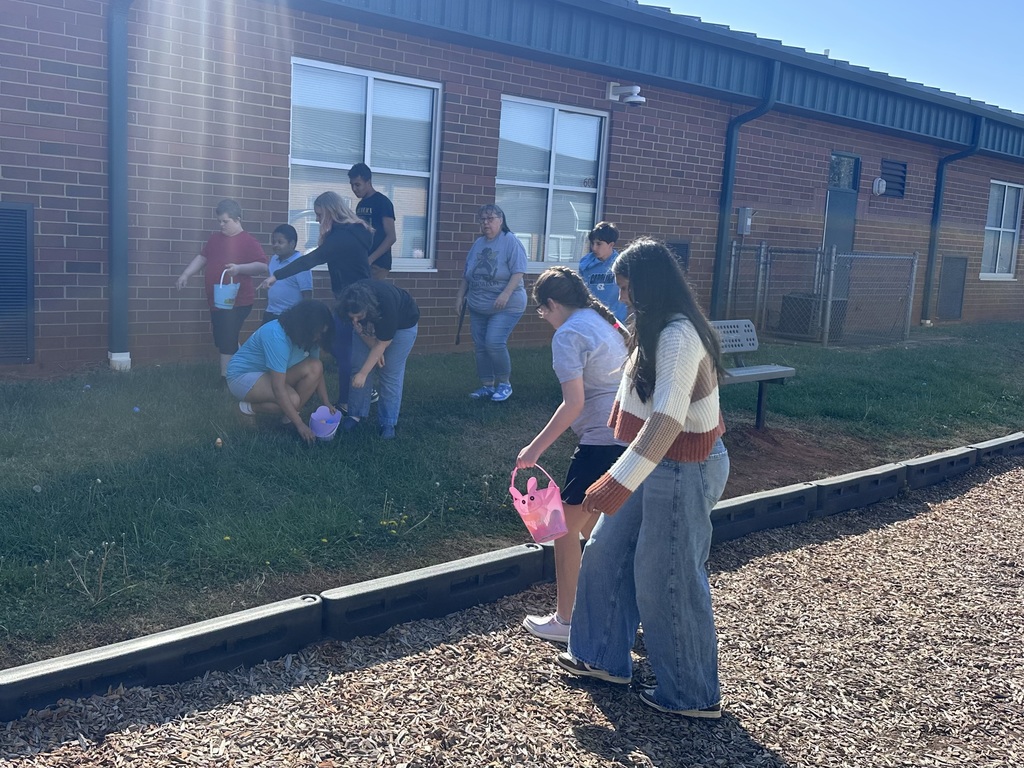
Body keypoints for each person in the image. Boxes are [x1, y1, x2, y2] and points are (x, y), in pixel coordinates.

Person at [554, 238, 731, 720]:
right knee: (606, 554)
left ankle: (693, 694)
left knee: (668, 579)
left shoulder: (677, 335)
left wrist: (616, 480)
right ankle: (600, 657)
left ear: (650, 285)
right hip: (652, 460)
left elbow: (667, 420)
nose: (623, 296)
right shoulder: (652, 325)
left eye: (628, 288)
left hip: (683, 464)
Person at [516, 267, 629, 644]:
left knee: (563, 529)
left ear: (551, 304)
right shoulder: (601, 320)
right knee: (594, 529)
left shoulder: (569, 333)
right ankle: (614, 611)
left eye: (543, 313)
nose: (545, 320)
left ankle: (566, 620)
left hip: (601, 440)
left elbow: (573, 403)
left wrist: (534, 449)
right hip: (627, 437)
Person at [267, 191, 371, 414]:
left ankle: (346, 401)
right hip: (353, 297)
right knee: (338, 346)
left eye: (319, 214)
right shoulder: (353, 233)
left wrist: (277, 275)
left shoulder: (341, 238)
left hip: (353, 301)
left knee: (343, 351)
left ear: (331, 212)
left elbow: (310, 260)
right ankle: (362, 387)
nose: (316, 220)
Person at [175, 199, 267, 385]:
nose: (221, 225)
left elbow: (262, 266)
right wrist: (186, 274)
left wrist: (239, 268)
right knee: (224, 337)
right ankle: (245, 366)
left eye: (225, 221)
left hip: (238, 301)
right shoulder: (215, 239)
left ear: (238, 219)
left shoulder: (248, 241)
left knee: (226, 338)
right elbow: (202, 258)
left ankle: (226, 379)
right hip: (218, 301)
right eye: (219, 221)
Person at [225, 299, 335, 445]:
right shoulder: (276, 336)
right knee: (293, 400)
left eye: (322, 333)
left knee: (315, 366)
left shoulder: (310, 338)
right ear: (305, 326)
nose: (319, 337)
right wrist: (300, 425)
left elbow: (318, 372)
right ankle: (246, 408)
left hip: (269, 375)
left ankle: (288, 418)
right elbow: (278, 388)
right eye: (317, 332)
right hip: (242, 376)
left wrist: (326, 403)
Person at [456, 204, 527, 402]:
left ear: (501, 220)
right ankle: (487, 385)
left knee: (493, 342)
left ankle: (505, 384)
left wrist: (505, 294)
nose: (486, 223)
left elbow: (519, 270)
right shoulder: (479, 243)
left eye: (490, 219)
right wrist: (460, 296)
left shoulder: (510, 241)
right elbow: (467, 274)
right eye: (482, 219)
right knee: (480, 346)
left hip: (506, 304)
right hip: (478, 304)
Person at [337, 279, 420, 439]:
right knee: (358, 366)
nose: (354, 320)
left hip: (403, 324)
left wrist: (366, 370)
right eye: (351, 317)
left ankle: (388, 422)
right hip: (372, 326)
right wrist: (365, 337)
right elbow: (366, 336)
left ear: (368, 309)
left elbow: (382, 343)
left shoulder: (386, 305)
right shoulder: (351, 302)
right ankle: (355, 415)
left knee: (390, 373)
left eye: (358, 316)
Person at [348, 163, 397, 280]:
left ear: (368, 182)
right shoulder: (361, 205)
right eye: (352, 185)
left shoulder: (382, 202)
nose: (354, 189)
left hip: (378, 263)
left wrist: (371, 259)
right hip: (363, 261)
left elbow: (391, 237)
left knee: (369, 295)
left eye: (357, 185)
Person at [578, 221, 628, 324]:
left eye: (599, 244)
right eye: (592, 243)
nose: (594, 248)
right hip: (592, 319)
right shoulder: (586, 264)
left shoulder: (622, 264)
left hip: (615, 320)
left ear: (611, 244)